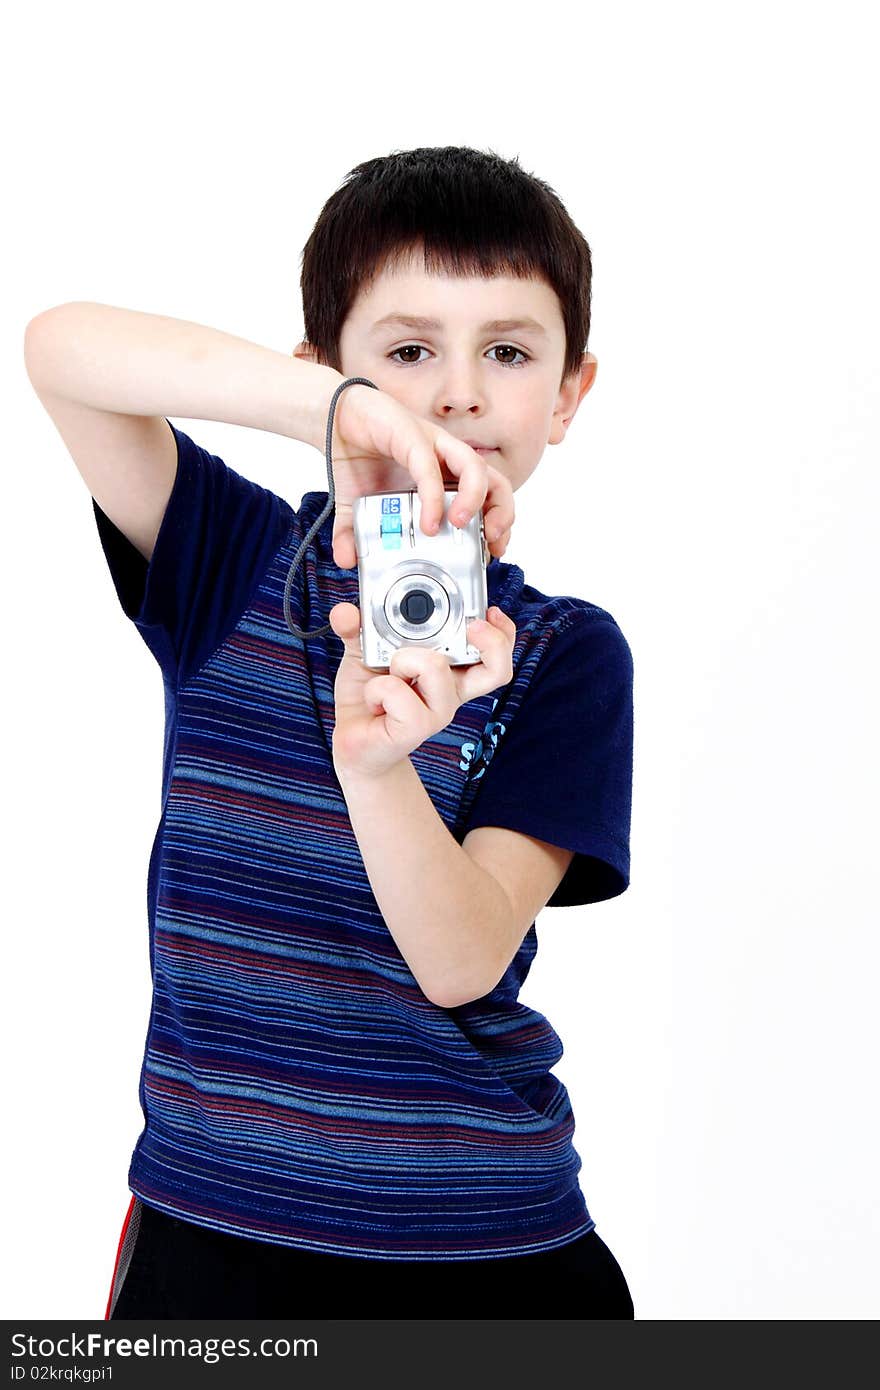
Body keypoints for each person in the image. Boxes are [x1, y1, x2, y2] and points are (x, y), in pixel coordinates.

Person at [23, 145, 636, 1320]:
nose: (457, 393)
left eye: (507, 353)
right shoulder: (232, 561)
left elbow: (460, 960)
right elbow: (63, 350)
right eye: (408, 352)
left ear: (566, 395)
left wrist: (378, 766)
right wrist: (339, 415)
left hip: (488, 1252)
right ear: (323, 374)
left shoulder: (564, 654)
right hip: (211, 1239)